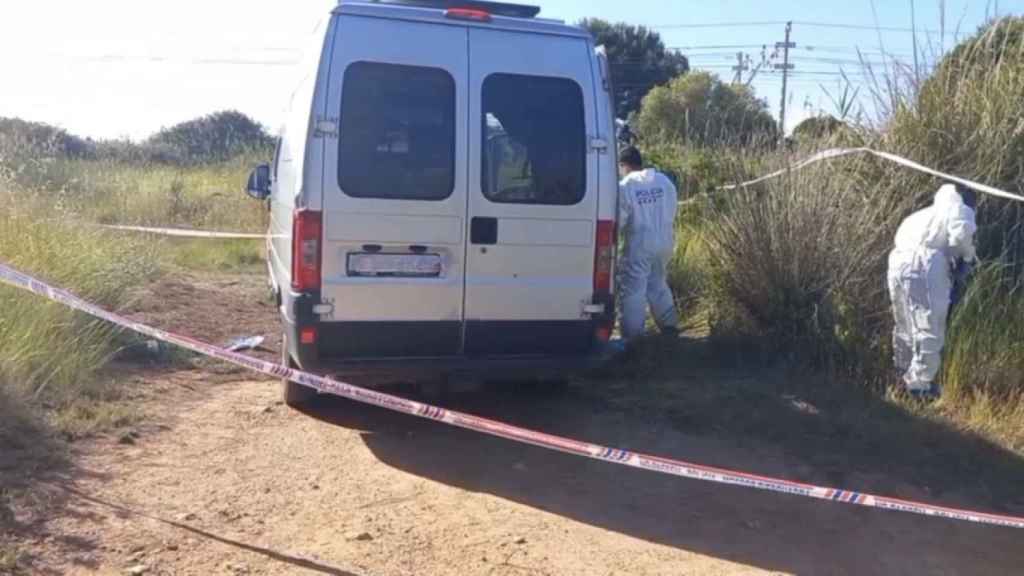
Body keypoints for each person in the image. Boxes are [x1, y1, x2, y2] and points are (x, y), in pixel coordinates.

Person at [887, 182, 978, 399]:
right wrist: (965, 259)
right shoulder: (960, 208)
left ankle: (901, 374)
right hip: (928, 263)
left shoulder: (919, 216)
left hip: (898, 260)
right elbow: (961, 236)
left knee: (905, 323)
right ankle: (919, 386)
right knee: (930, 324)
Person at [617, 146, 680, 342]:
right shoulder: (663, 181)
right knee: (658, 283)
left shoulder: (626, 186)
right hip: (665, 241)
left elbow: (619, 220)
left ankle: (633, 337)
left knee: (634, 289)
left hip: (640, 243)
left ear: (623, 165)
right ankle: (670, 327)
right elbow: (672, 209)